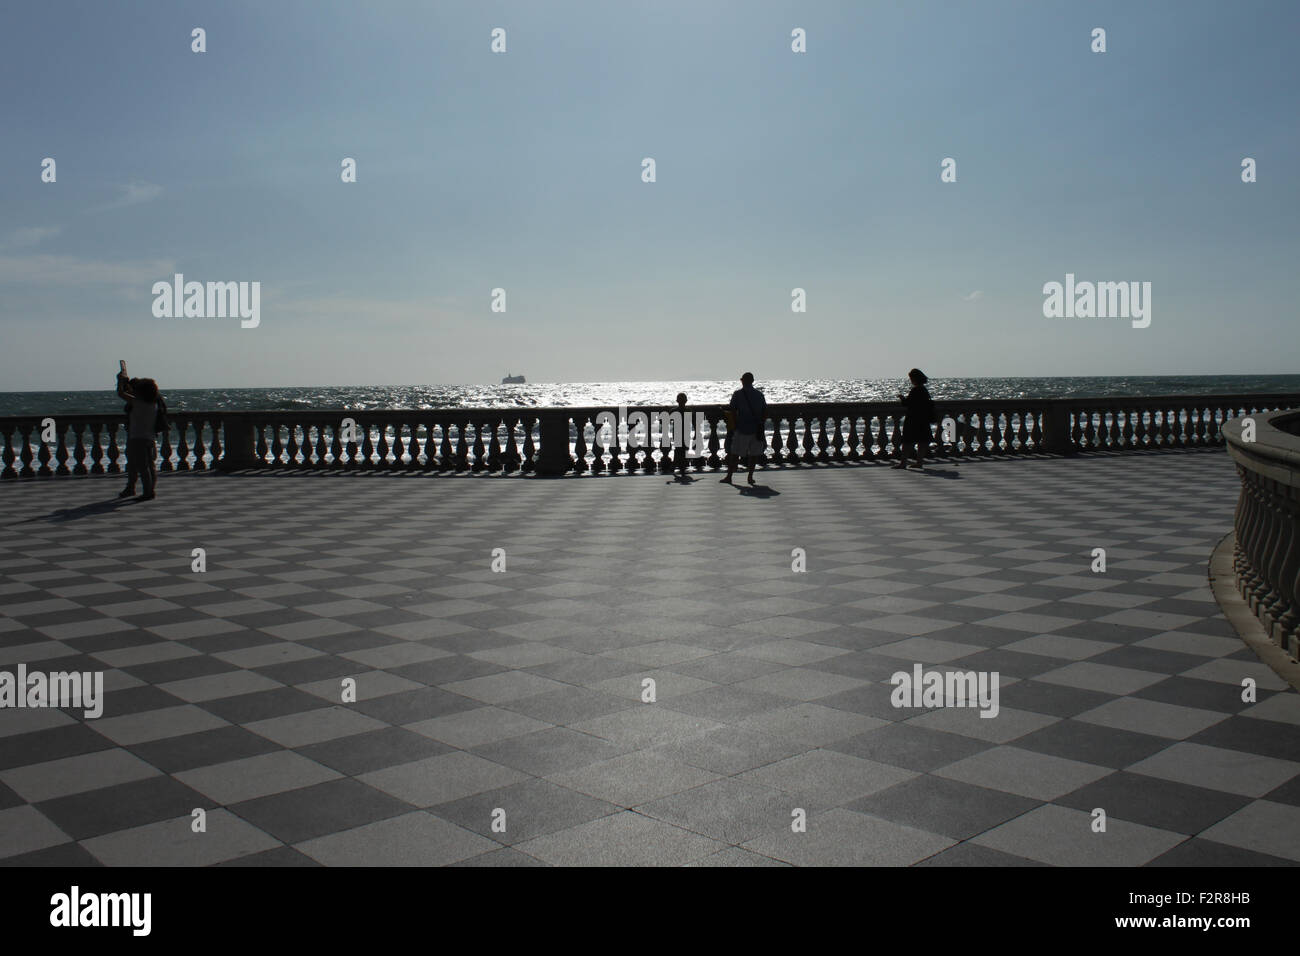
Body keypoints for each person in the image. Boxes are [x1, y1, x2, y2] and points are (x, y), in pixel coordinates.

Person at [115, 363, 165, 500]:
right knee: (150, 466)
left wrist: (119, 381)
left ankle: (148, 492)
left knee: (143, 467)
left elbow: (121, 394)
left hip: (138, 438)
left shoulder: (138, 403)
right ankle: (150, 490)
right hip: (149, 438)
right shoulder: (153, 403)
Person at [721, 372, 767, 486]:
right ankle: (750, 477)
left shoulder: (738, 394)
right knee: (754, 454)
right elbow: (765, 411)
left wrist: (733, 423)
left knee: (735, 453)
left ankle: (729, 476)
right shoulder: (759, 395)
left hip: (742, 428)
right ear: (752, 381)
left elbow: (732, 410)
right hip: (756, 429)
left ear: (742, 381)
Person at [894, 368, 934, 470]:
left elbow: (908, 403)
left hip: (913, 419)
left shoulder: (915, 390)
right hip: (923, 419)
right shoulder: (924, 390)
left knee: (908, 441)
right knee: (922, 441)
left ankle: (903, 463)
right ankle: (919, 462)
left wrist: (902, 398)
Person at [671, 391, 692, 480]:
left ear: (677, 401)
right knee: (682, 450)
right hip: (684, 433)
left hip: (678, 433)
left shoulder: (673, 411)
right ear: (686, 401)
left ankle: (676, 466)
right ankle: (681, 468)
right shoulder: (688, 411)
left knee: (679, 450)